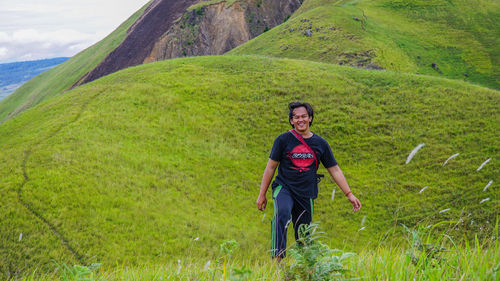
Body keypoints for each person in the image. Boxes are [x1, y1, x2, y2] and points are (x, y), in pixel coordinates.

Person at [256, 101, 361, 261]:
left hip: (306, 193)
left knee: (303, 232)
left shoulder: (321, 144)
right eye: (296, 117)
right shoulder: (283, 140)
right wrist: (262, 194)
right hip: (284, 188)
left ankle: (305, 266)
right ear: (291, 120)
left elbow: (334, 169)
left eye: (304, 116)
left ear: (310, 118)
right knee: (282, 213)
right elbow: (270, 167)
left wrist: (349, 194)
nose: (300, 120)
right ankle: (277, 261)